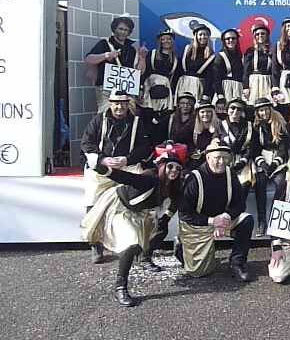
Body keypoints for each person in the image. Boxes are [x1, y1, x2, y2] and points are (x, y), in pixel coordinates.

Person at [81, 152, 182, 307]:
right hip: (120, 208)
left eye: (178, 168)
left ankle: (144, 257)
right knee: (131, 244)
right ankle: (120, 287)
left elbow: (176, 200)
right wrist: (101, 168)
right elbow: (125, 177)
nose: (174, 170)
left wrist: (166, 218)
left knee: (160, 231)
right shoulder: (150, 177)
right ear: (162, 166)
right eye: (170, 166)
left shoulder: (173, 184)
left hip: (140, 212)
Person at [80, 90, 152, 264]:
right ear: (110, 103)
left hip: (127, 166)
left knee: (140, 200)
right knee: (93, 198)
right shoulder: (98, 120)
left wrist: (127, 159)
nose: (120, 107)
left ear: (128, 104)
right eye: (116, 103)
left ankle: (141, 246)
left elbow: (145, 147)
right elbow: (86, 143)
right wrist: (103, 159)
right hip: (103, 168)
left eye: (123, 103)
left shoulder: (137, 122)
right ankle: (95, 243)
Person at [176, 140, 254, 281]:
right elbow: (184, 214)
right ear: (208, 158)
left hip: (223, 220)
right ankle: (181, 245)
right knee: (199, 272)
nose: (221, 162)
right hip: (198, 226)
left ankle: (237, 263)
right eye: (217, 158)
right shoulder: (194, 178)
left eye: (225, 158)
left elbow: (240, 204)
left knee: (247, 220)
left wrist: (226, 217)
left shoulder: (230, 174)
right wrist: (212, 221)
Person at [84, 15, 147, 113]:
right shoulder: (104, 43)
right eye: (120, 29)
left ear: (129, 32)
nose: (123, 32)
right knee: (106, 114)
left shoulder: (132, 49)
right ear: (114, 29)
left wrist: (142, 58)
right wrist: (106, 55)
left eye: (126, 30)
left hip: (126, 90)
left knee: (129, 114)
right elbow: (88, 59)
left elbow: (139, 72)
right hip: (106, 90)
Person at [253, 97, 289, 236]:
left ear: (270, 109)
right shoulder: (256, 127)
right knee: (259, 183)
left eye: (266, 109)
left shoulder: (280, 123)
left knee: (281, 184)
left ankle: (276, 220)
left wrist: (274, 164)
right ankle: (262, 221)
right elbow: (255, 149)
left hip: (277, 159)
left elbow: (283, 148)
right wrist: (262, 163)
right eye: (261, 110)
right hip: (263, 158)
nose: (264, 113)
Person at [218, 98, 255, 200]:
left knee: (244, 186)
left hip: (243, 161)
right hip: (225, 160)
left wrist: (243, 161)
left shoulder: (249, 126)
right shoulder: (220, 125)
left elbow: (251, 147)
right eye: (232, 108)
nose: (235, 111)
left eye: (239, 109)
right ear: (227, 110)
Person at [175, 23, 216, 101]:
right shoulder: (187, 49)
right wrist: (174, 90)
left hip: (198, 86)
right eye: (200, 34)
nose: (203, 37)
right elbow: (178, 71)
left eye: (205, 34)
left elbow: (210, 77)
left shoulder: (211, 55)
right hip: (182, 84)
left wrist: (205, 95)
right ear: (196, 36)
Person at [243, 24, 273, 109]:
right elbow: (246, 71)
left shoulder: (271, 51)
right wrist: (246, 87)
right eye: (257, 34)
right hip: (254, 82)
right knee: (252, 106)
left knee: (267, 106)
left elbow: (274, 71)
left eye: (263, 33)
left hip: (267, 82)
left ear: (267, 36)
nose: (260, 36)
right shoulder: (250, 51)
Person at [187, 96, 220, 170]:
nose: (205, 114)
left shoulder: (219, 126)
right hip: (197, 159)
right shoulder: (193, 126)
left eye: (208, 112)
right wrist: (193, 152)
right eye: (202, 112)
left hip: (213, 159)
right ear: (198, 114)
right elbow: (189, 142)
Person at [213, 28, 244, 103]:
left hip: (239, 89)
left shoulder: (241, 56)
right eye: (227, 39)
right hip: (226, 89)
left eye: (233, 38)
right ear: (224, 41)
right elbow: (216, 78)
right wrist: (220, 95)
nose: (231, 40)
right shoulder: (220, 56)